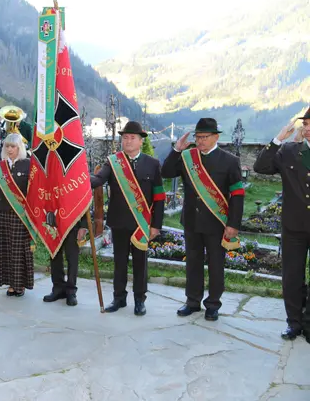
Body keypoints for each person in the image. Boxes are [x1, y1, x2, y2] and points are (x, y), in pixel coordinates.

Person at [161, 118, 244, 321]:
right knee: (193, 263)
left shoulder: (230, 161)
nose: (200, 141)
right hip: (191, 221)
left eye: (204, 137)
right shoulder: (188, 157)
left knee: (216, 265)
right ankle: (192, 301)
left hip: (216, 222)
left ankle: (213, 304)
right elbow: (166, 172)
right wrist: (177, 150)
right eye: (197, 137)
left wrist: (233, 223)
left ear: (216, 137)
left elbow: (237, 194)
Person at [90, 121, 165, 315]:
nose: (128, 141)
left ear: (141, 141)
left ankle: (140, 300)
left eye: (132, 138)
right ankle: (119, 298)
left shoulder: (152, 164)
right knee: (119, 263)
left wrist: (156, 225)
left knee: (140, 264)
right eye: (125, 137)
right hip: (119, 222)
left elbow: (159, 196)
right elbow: (99, 179)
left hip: (142, 224)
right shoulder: (113, 162)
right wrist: (81, 179)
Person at [253, 109, 310, 341]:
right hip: (294, 226)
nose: (307, 128)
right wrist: (278, 139)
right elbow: (260, 167)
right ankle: (294, 323)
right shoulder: (289, 151)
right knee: (292, 277)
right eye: (306, 124)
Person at [0, 133, 33, 297]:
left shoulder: (28, 164)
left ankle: (19, 284)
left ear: (19, 148)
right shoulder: (0, 167)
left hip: (20, 215)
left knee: (19, 251)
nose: (9, 149)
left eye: (13, 146)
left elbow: (33, 192)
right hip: (3, 214)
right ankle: (10, 283)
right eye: (7, 146)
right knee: (6, 251)